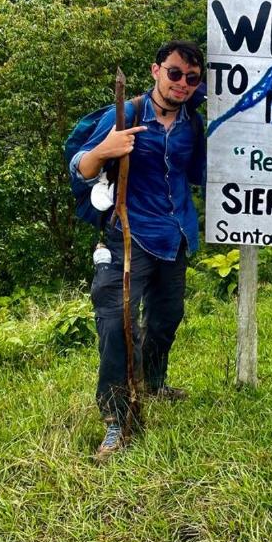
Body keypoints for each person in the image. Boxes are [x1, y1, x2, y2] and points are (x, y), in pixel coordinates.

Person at [70, 40, 206, 462]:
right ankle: (116, 419)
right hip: (126, 235)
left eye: (192, 78)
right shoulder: (125, 113)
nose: (182, 83)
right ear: (156, 71)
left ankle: (153, 381)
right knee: (116, 325)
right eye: (175, 73)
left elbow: (200, 173)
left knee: (167, 318)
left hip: (175, 235)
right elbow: (79, 166)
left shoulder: (192, 124)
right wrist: (103, 151)